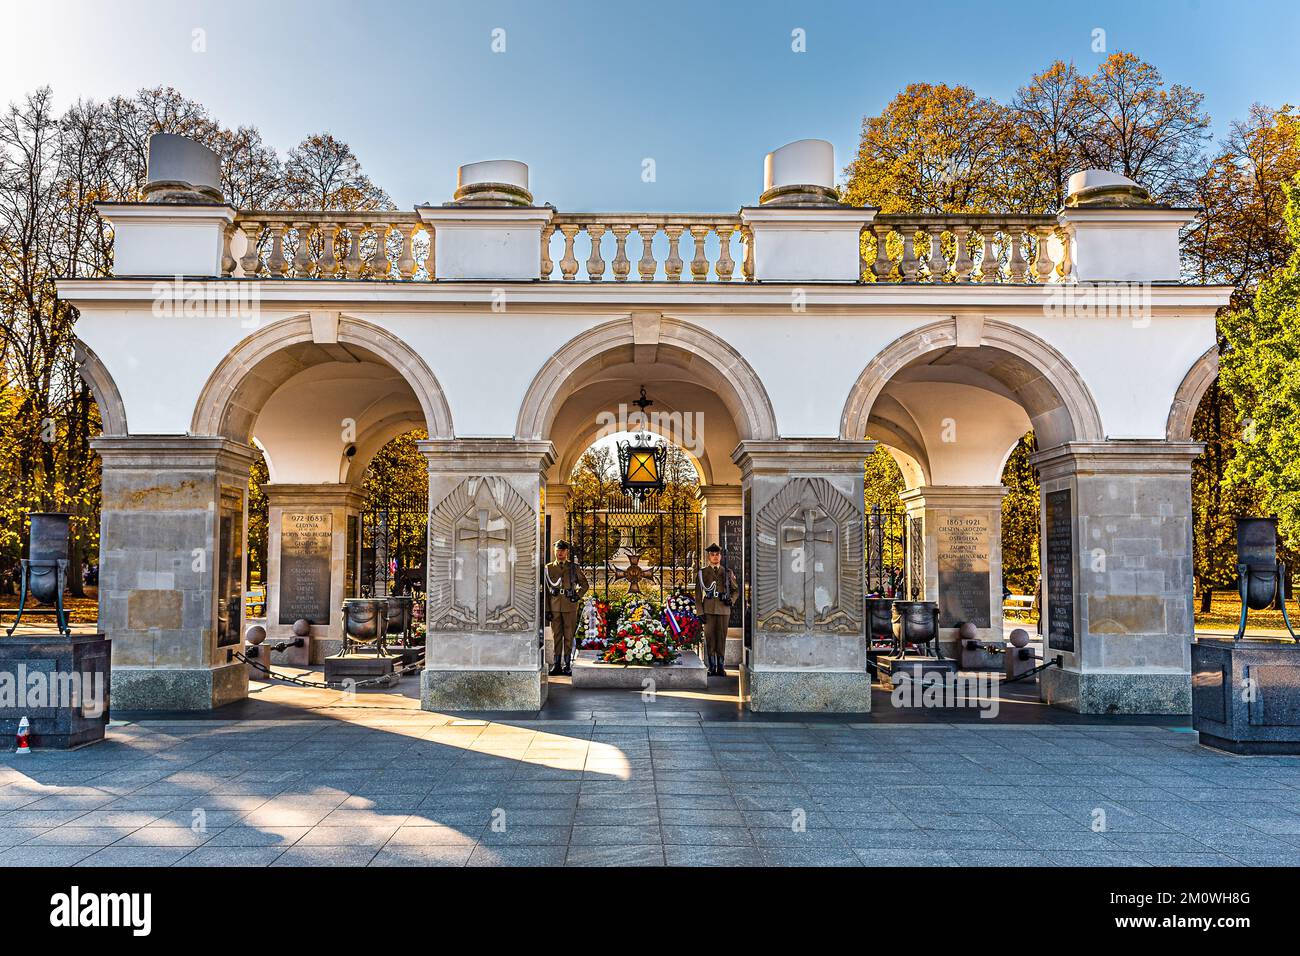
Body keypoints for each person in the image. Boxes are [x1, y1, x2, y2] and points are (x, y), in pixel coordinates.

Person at [543, 540, 588, 676]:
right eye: (558, 550)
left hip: (570, 606)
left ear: (567, 551)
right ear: (554, 551)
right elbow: (545, 590)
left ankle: (567, 665)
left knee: (568, 636)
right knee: (557, 636)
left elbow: (584, 585)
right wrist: (547, 609)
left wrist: (577, 595)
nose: (560, 553)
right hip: (555, 606)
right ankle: (556, 665)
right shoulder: (548, 568)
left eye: (563, 550)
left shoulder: (574, 567)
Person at [696, 543, 738, 677]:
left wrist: (731, 600)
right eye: (712, 555)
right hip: (708, 609)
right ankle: (711, 666)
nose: (715, 557)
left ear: (720, 556)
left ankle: (720, 666)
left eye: (717, 554)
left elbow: (735, 590)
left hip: (723, 609)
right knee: (710, 638)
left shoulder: (727, 572)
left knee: (721, 638)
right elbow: (698, 594)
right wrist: (700, 612)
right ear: (709, 557)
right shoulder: (703, 573)